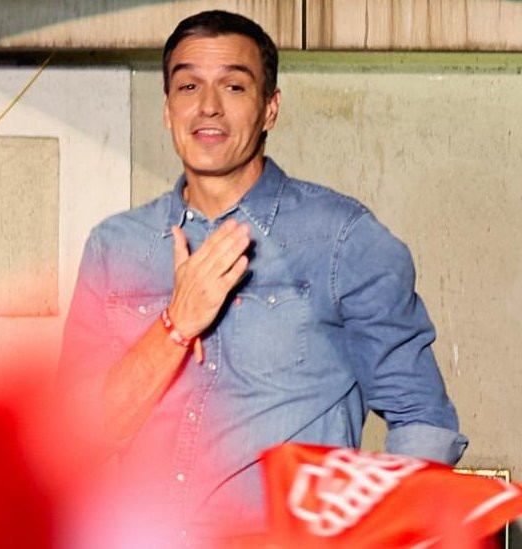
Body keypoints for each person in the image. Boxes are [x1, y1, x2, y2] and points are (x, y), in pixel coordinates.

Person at [58, 9, 467, 543]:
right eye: (188, 85)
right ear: (167, 109)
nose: (208, 106)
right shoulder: (116, 246)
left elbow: (425, 423)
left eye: (233, 85)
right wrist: (175, 326)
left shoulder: (342, 240)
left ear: (270, 108)